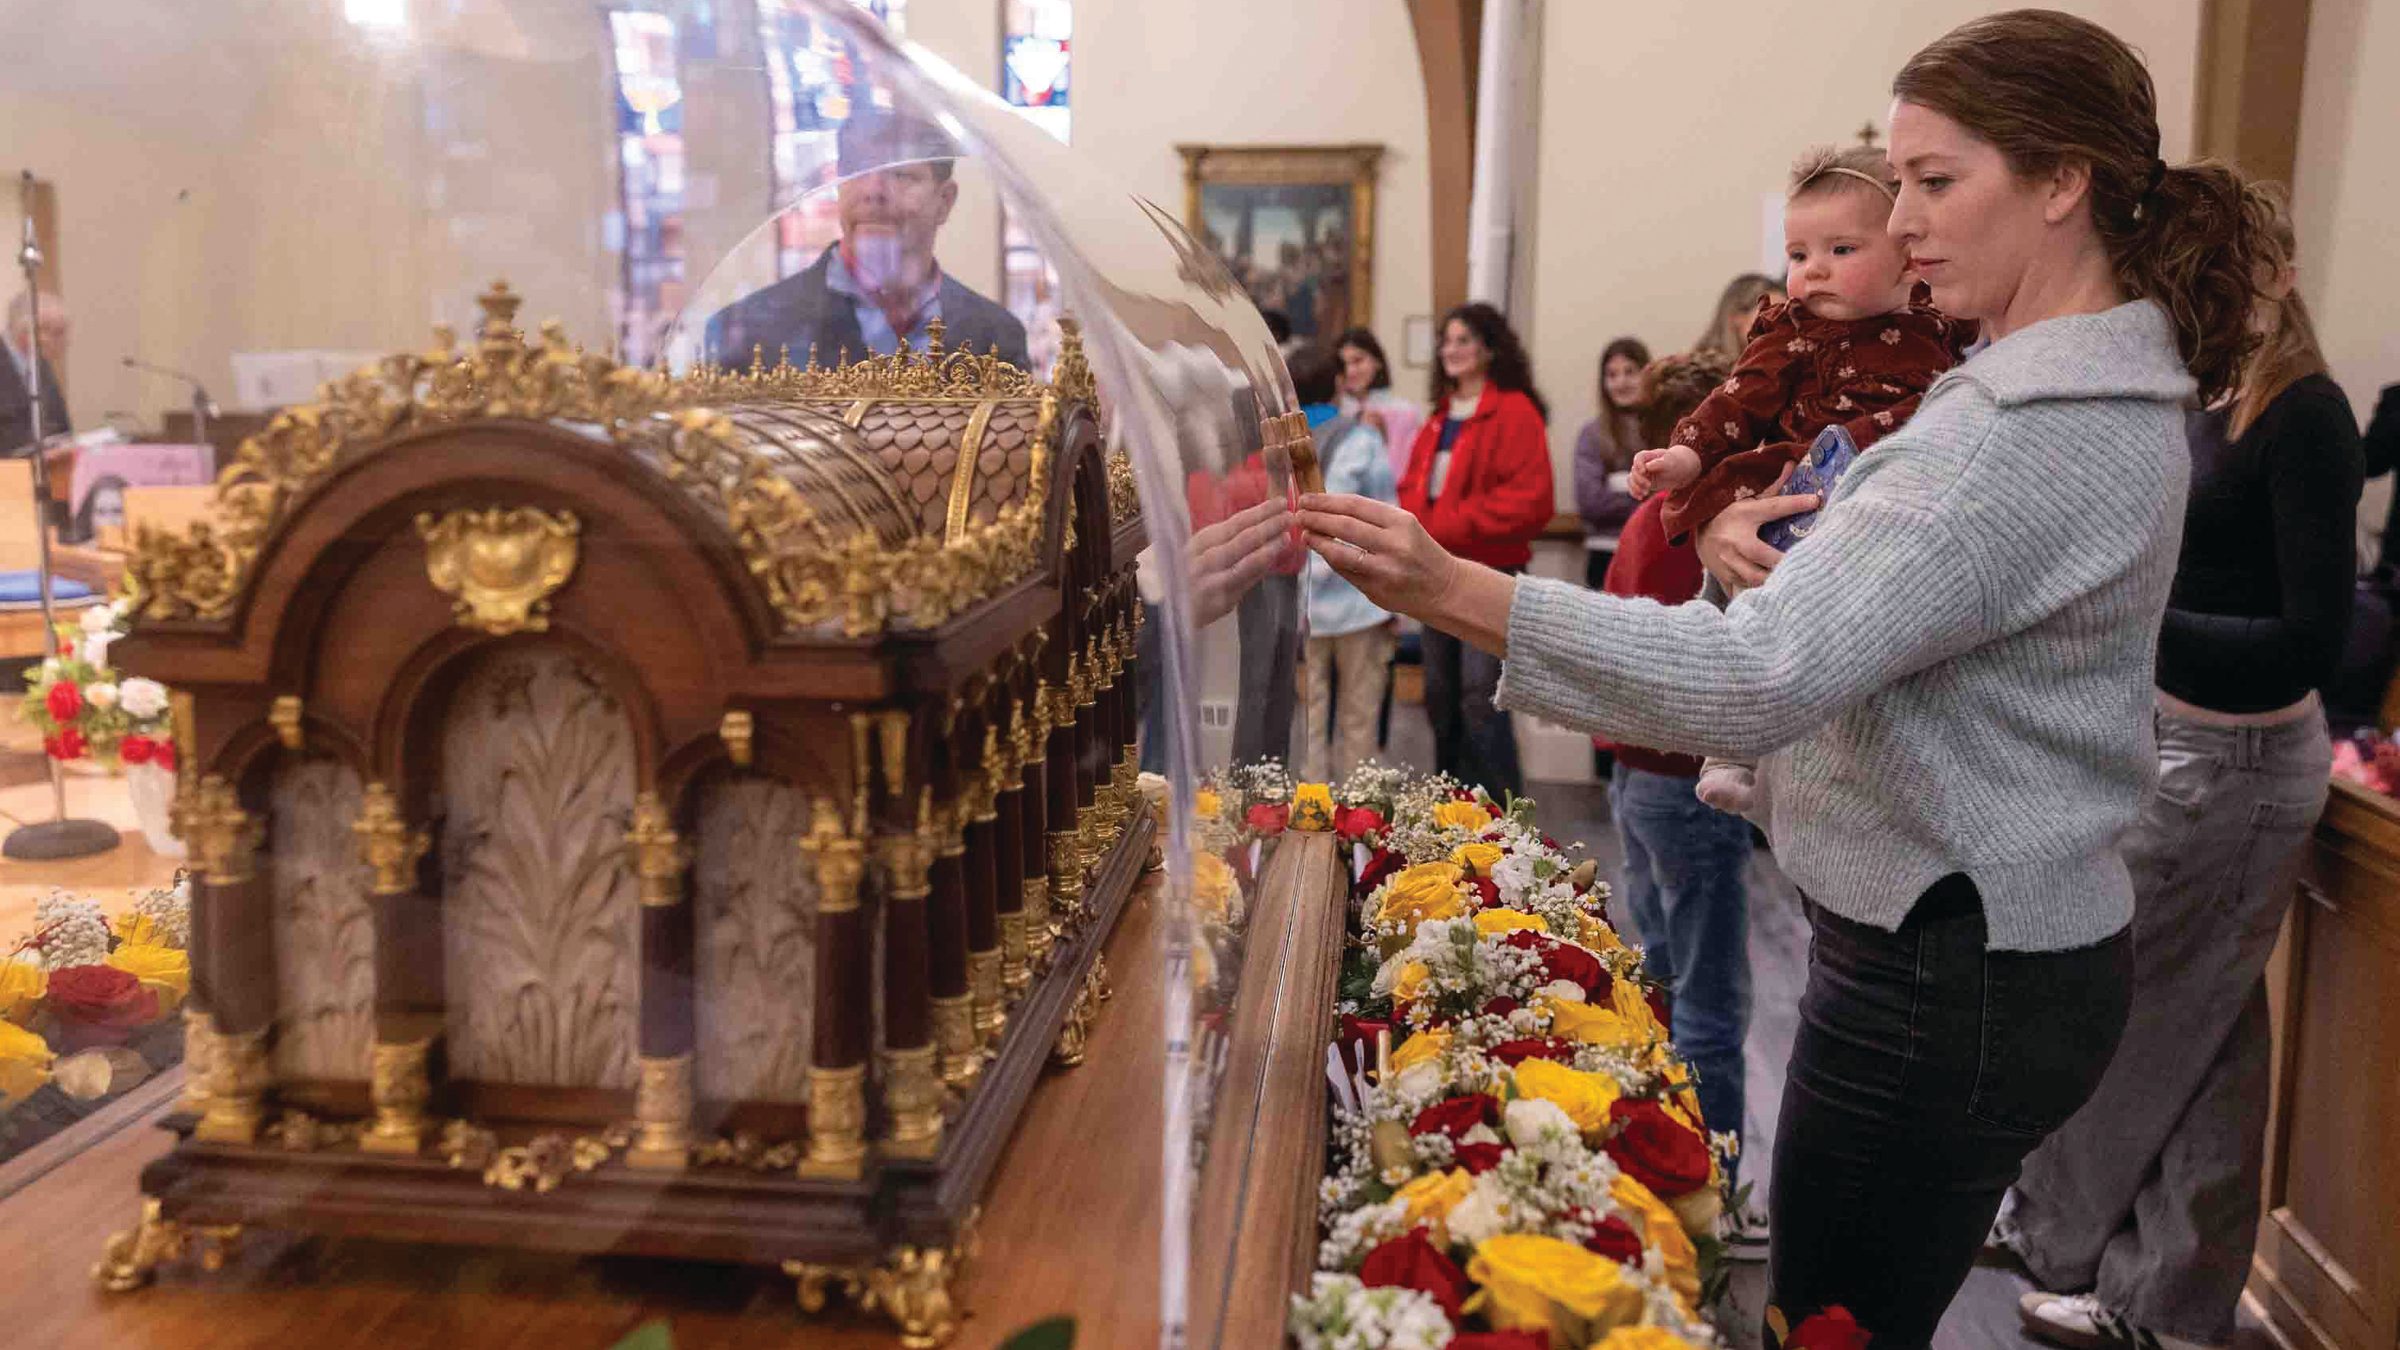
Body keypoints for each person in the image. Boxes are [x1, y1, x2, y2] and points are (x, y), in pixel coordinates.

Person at [1298, 10, 2279, 1343]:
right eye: (1901, 180)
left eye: (1936, 180)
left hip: (1949, 963)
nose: (1904, 220)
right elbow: (1881, 599)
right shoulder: (2039, 400)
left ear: (2064, 181)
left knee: (1827, 1323)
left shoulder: (2015, 433)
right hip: (1987, 940)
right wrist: (1732, 533)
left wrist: (1451, 588)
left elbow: (1760, 674)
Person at [2001, 193, 2364, 1350]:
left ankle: (2071, 1242)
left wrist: (2132, 620)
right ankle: (2162, 1304)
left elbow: (2311, 640)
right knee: (2209, 1035)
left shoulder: (2306, 414)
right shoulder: (2208, 400)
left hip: (2240, 763)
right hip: (2182, 747)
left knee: (2143, 1018)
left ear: (2274, 274)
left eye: (2210, 267)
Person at [1630, 145, 1975, 815]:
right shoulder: (1792, 333)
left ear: (1906, 256)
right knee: (1735, 602)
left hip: (1885, 493)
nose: (1813, 269)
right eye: (1798, 254)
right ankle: (1728, 747)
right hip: (1796, 481)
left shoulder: (1940, 322)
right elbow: (1734, 404)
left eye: (1841, 250)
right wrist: (1685, 458)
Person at [1595, 348, 1767, 1257]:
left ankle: (1667, 1173)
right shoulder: (1701, 530)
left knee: (1664, 982)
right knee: (1710, 1001)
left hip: (1636, 778)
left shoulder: (1644, 519)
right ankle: (1717, 1193)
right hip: (1685, 781)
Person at [705, 109, 1029, 372]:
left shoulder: (997, 338)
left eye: (900, 175)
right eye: (857, 172)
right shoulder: (746, 333)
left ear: (944, 201)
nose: (873, 191)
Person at [1394, 302, 1552, 800]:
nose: (1452, 349)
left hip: (1491, 570)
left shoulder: (1516, 411)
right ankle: (1451, 812)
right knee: (1440, 696)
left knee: (1480, 696)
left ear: (1489, 348)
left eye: (1463, 340)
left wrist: (1444, 524)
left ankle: (1507, 816)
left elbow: (1531, 501)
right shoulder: (1438, 418)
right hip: (1435, 571)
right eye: (1446, 341)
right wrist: (1422, 526)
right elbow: (1411, 489)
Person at [1291, 341, 1397, 781]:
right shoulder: (1363, 440)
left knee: (1309, 726)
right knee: (1359, 721)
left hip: (1302, 601)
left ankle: (1311, 812)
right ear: (1338, 382)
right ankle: (1360, 814)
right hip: (1360, 599)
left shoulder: (1278, 444)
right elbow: (1389, 521)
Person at [1574, 336, 1651, 590]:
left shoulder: (1666, 430)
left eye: (1630, 372)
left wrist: (1618, 485)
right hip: (1605, 554)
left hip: (1652, 548)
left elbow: (1673, 497)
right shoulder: (1592, 435)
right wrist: (1645, 493)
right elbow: (1591, 503)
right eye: (1612, 374)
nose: (1621, 382)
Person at [1335, 326, 1425, 482]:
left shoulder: (1404, 412)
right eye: (1343, 364)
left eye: (1358, 360)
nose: (1350, 371)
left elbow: (1409, 470)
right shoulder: (1334, 413)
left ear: (1377, 361)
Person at [2, 289, 71, 457]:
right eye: (58, 333)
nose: (66, 342)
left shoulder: (41, 363)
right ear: (30, 332)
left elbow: (61, 425)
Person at [1694, 272, 1785, 361]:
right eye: (1771, 313)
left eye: (1784, 317)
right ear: (1737, 316)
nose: (1782, 327)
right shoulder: (1701, 367)